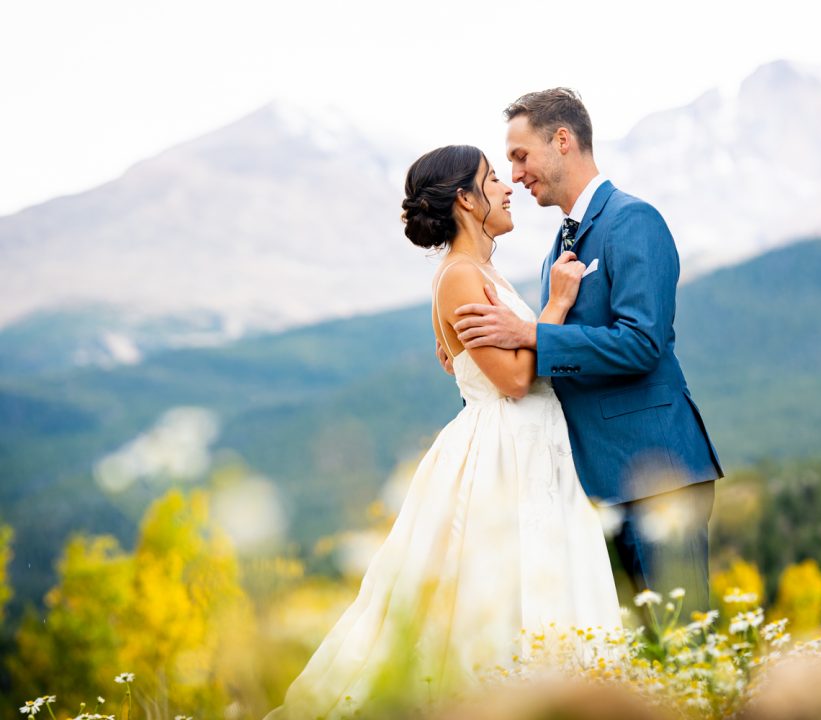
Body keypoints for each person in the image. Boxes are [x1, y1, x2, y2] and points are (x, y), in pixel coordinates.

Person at [263, 145, 621, 720]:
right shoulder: (458, 276)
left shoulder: (481, 271)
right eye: (493, 178)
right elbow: (512, 380)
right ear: (464, 199)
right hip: (503, 454)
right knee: (495, 598)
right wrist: (555, 306)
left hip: (532, 448)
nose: (507, 188)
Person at [447, 89, 723, 615]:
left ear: (563, 141)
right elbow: (560, 360)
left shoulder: (633, 221)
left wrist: (530, 336)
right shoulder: (562, 243)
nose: (516, 173)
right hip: (592, 486)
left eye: (520, 156)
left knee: (678, 645)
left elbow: (642, 344)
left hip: (653, 475)